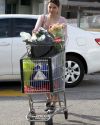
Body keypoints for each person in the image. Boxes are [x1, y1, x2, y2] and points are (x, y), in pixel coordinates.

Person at [32, 0, 67, 113]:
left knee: (56, 76)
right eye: (50, 7)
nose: (51, 10)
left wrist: (58, 37)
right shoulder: (42, 18)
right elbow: (35, 30)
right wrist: (35, 34)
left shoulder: (62, 20)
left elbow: (65, 36)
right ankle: (49, 98)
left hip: (56, 52)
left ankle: (54, 101)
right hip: (43, 52)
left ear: (58, 8)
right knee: (44, 76)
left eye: (54, 7)